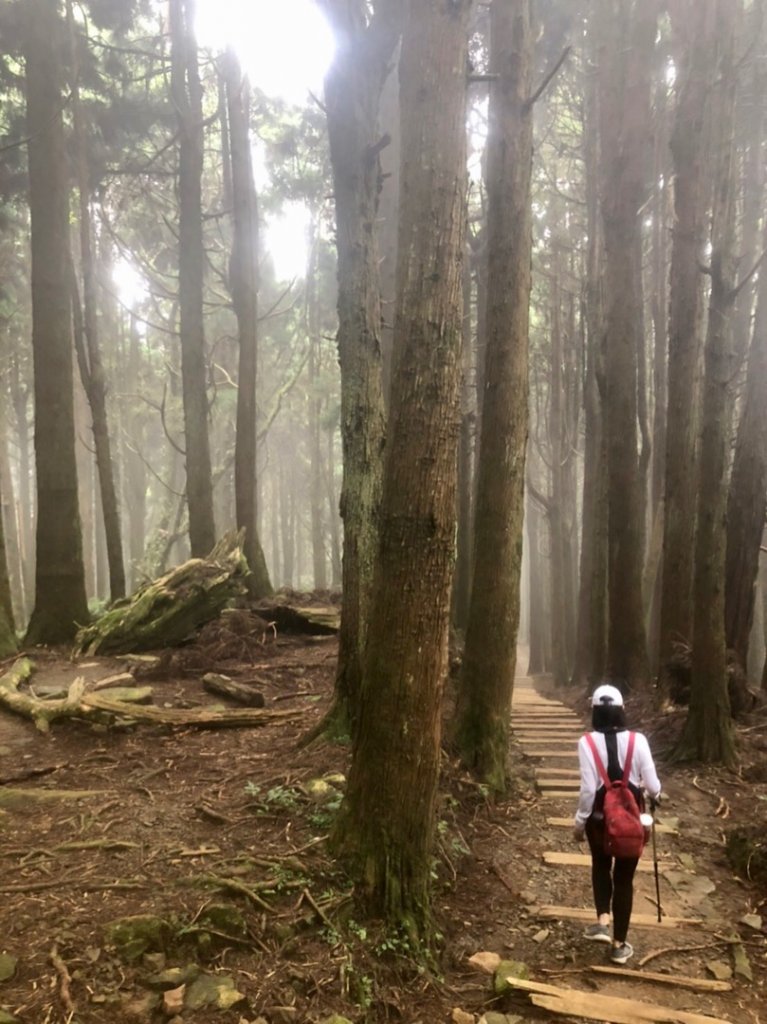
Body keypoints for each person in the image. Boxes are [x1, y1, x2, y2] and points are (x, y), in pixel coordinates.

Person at [572, 683, 661, 965]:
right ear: (622, 710)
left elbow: (588, 790)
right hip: (632, 824)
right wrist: (655, 795)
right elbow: (654, 786)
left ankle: (602, 920)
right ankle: (619, 945)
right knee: (624, 879)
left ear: (595, 712)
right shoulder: (639, 741)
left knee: (600, 864)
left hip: (598, 820)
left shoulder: (586, 742)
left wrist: (579, 822)